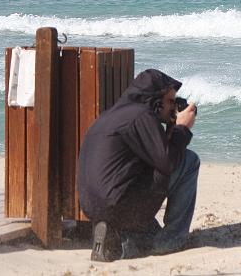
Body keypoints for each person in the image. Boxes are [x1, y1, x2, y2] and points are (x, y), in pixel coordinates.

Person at [78, 69, 199, 261]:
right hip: (120, 205)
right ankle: (172, 240)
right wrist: (182, 129)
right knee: (189, 160)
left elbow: (154, 157)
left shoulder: (110, 116)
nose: (172, 107)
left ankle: (116, 240)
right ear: (155, 100)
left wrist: (170, 127)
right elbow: (168, 162)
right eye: (170, 101)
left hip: (93, 208)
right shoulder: (141, 116)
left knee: (148, 235)